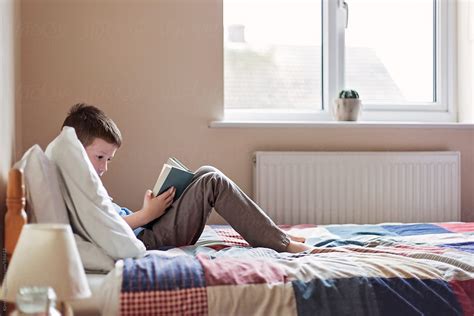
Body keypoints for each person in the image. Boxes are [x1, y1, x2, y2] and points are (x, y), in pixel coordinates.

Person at [62, 103, 311, 253]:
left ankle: (272, 233)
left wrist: (149, 212)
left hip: (147, 227)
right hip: (149, 239)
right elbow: (103, 228)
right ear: (74, 147)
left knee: (205, 172)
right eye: (100, 157)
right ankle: (282, 244)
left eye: (109, 159)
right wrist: (147, 214)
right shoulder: (72, 187)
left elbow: (110, 219)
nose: (104, 167)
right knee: (212, 183)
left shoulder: (82, 181)